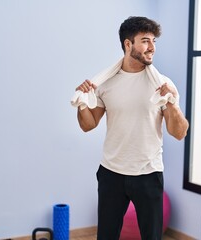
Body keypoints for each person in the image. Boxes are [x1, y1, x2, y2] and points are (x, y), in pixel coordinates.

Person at [75, 16, 189, 240]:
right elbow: (89, 125)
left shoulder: (162, 84)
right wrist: (81, 103)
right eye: (145, 41)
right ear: (128, 45)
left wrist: (172, 104)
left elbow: (179, 132)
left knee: (152, 237)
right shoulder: (106, 84)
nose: (152, 48)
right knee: (106, 236)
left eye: (154, 41)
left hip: (148, 173)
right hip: (111, 173)